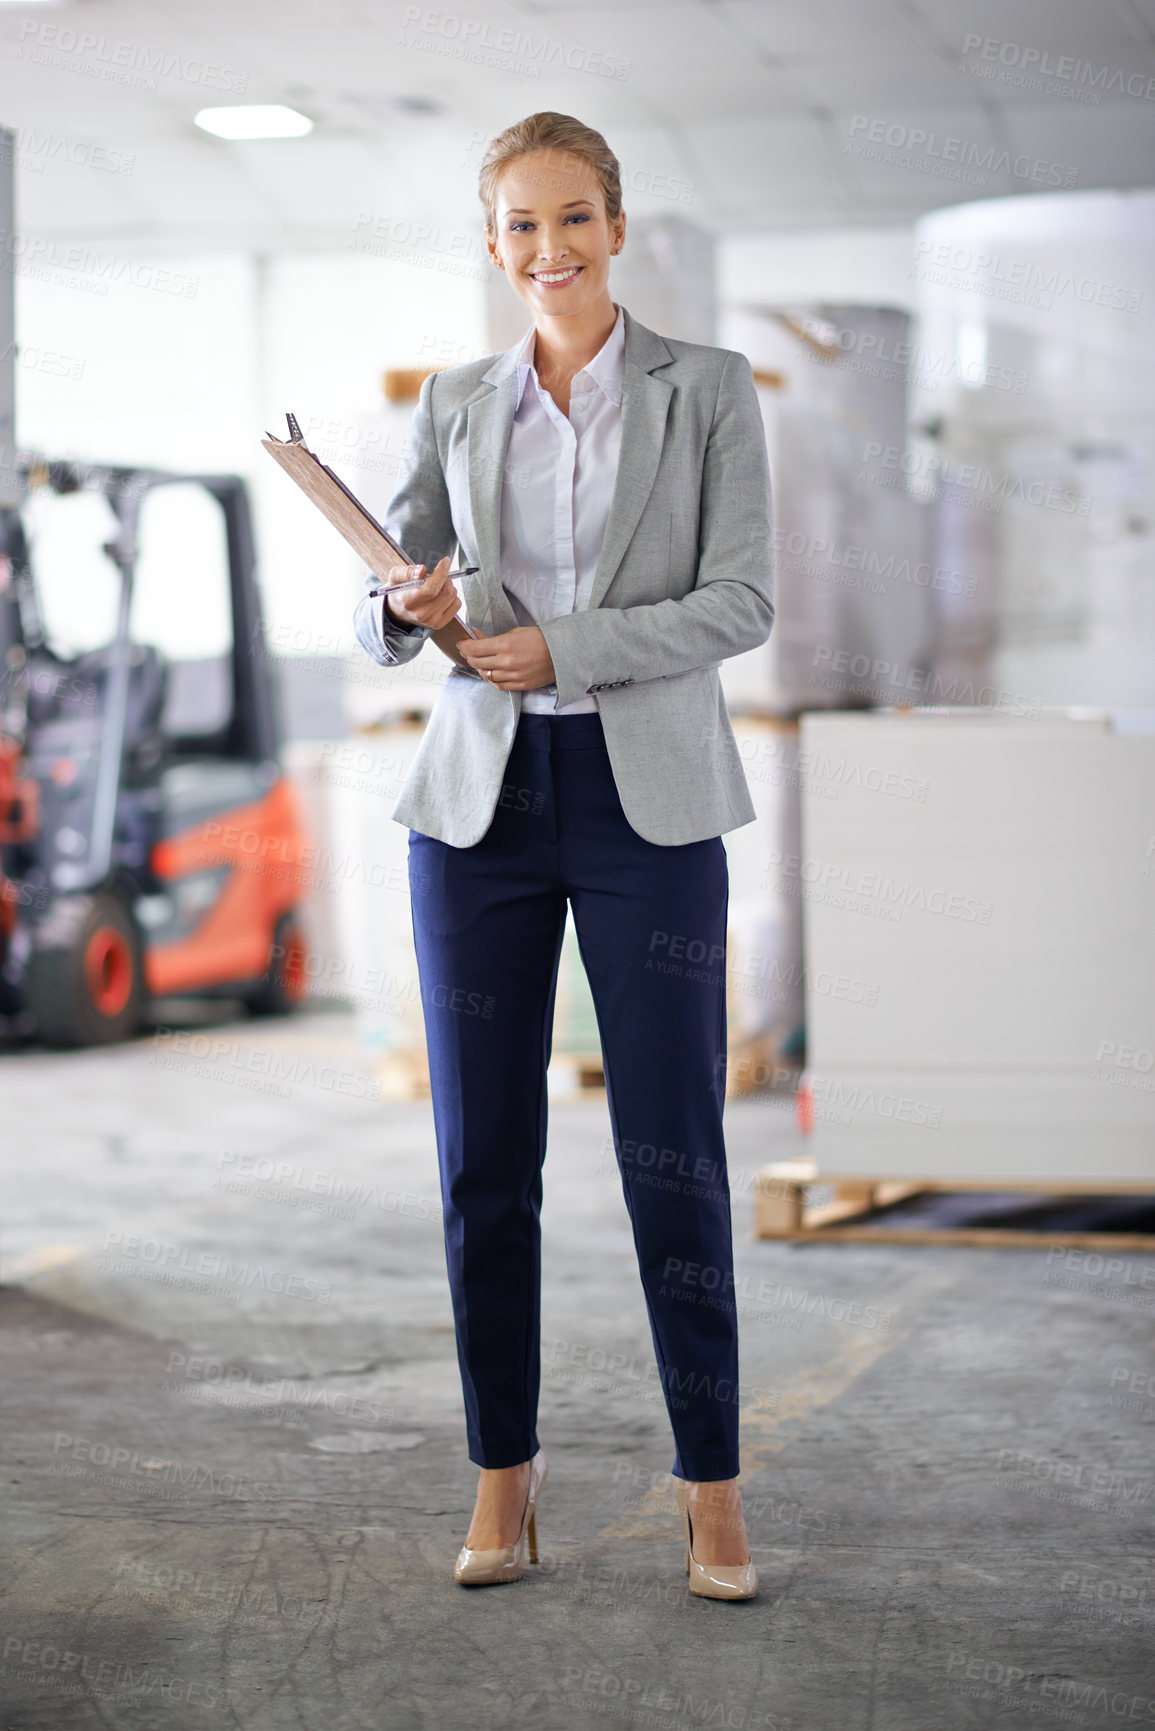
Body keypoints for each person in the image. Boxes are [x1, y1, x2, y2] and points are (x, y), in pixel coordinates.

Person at [353, 111, 774, 1599]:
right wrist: (406, 609)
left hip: (646, 799)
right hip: (480, 807)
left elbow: (741, 603)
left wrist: (567, 646)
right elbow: (384, 596)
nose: (552, 249)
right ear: (494, 243)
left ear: (617, 225)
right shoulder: (460, 401)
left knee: (678, 1156)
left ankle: (710, 1485)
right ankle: (502, 1472)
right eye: (522, 225)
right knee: (484, 1163)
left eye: (576, 217)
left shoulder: (706, 389)